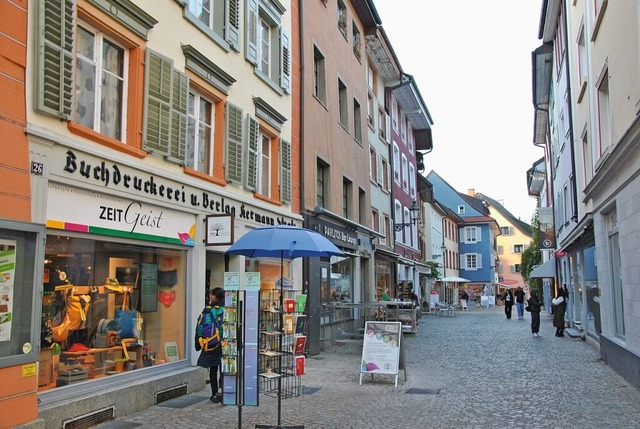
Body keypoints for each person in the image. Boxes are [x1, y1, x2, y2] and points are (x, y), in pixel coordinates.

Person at [196, 287, 225, 403]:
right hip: (222, 343)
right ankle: (221, 391)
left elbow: (199, 328)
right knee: (223, 369)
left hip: (210, 343)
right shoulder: (225, 310)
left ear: (215, 296)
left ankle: (214, 394)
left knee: (213, 369)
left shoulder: (206, 311)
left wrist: (198, 343)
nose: (210, 296)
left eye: (211, 294)